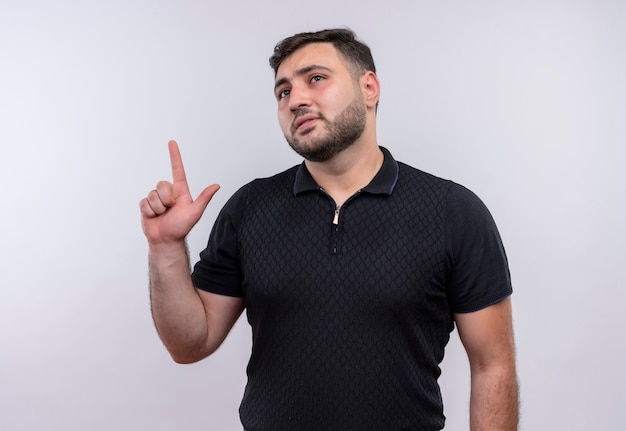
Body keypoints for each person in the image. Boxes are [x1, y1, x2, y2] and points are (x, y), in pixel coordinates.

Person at [140, 28, 519, 431]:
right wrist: (165, 247)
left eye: (315, 79)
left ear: (369, 87)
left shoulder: (452, 211)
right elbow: (188, 344)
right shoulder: (249, 208)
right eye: (283, 91)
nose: (296, 99)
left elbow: (492, 365)